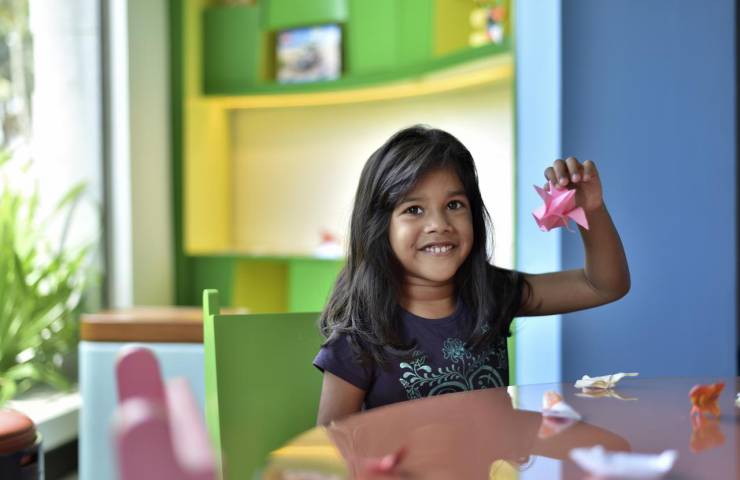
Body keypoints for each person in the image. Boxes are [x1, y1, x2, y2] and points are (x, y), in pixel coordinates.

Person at [314, 125, 630, 425]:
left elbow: (603, 286)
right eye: (414, 210)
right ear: (379, 226)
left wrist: (590, 208)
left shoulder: (493, 294)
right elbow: (330, 448)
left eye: (454, 204)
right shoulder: (358, 338)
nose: (439, 224)